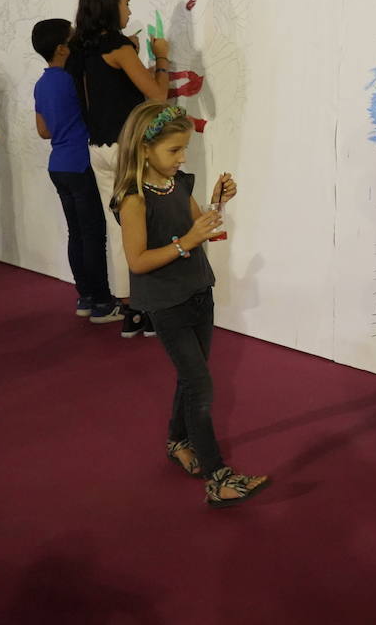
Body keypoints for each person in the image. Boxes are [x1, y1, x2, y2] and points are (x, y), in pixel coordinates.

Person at [112, 101, 267, 508]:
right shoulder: (133, 199)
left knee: (190, 376)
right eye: (174, 151)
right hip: (167, 303)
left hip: (200, 291)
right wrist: (187, 242)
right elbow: (138, 261)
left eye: (184, 150)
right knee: (200, 385)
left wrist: (218, 203)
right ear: (145, 149)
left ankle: (177, 441)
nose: (182, 159)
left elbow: (203, 226)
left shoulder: (177, 183)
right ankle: (218, 479)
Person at [68, 0, 172, 337]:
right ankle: (148, 309)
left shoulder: (80, 48)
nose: (130, 11)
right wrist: (161, 58)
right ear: (112, 6)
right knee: (146, 227)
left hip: (98, 149)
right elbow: (157, 95)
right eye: (127, 4)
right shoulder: (118, 48)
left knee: (121, 230)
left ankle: (131, 310)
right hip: (127, 148)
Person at [32, 19, 123, 323]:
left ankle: (85, 296)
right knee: (93, 234)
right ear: (62, 48)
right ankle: (102, 302)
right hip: (80, 163)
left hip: (58, 165)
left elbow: (43, 130)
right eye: (74, 38)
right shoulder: (73, 79)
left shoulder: (41, 84)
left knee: (77, 233)